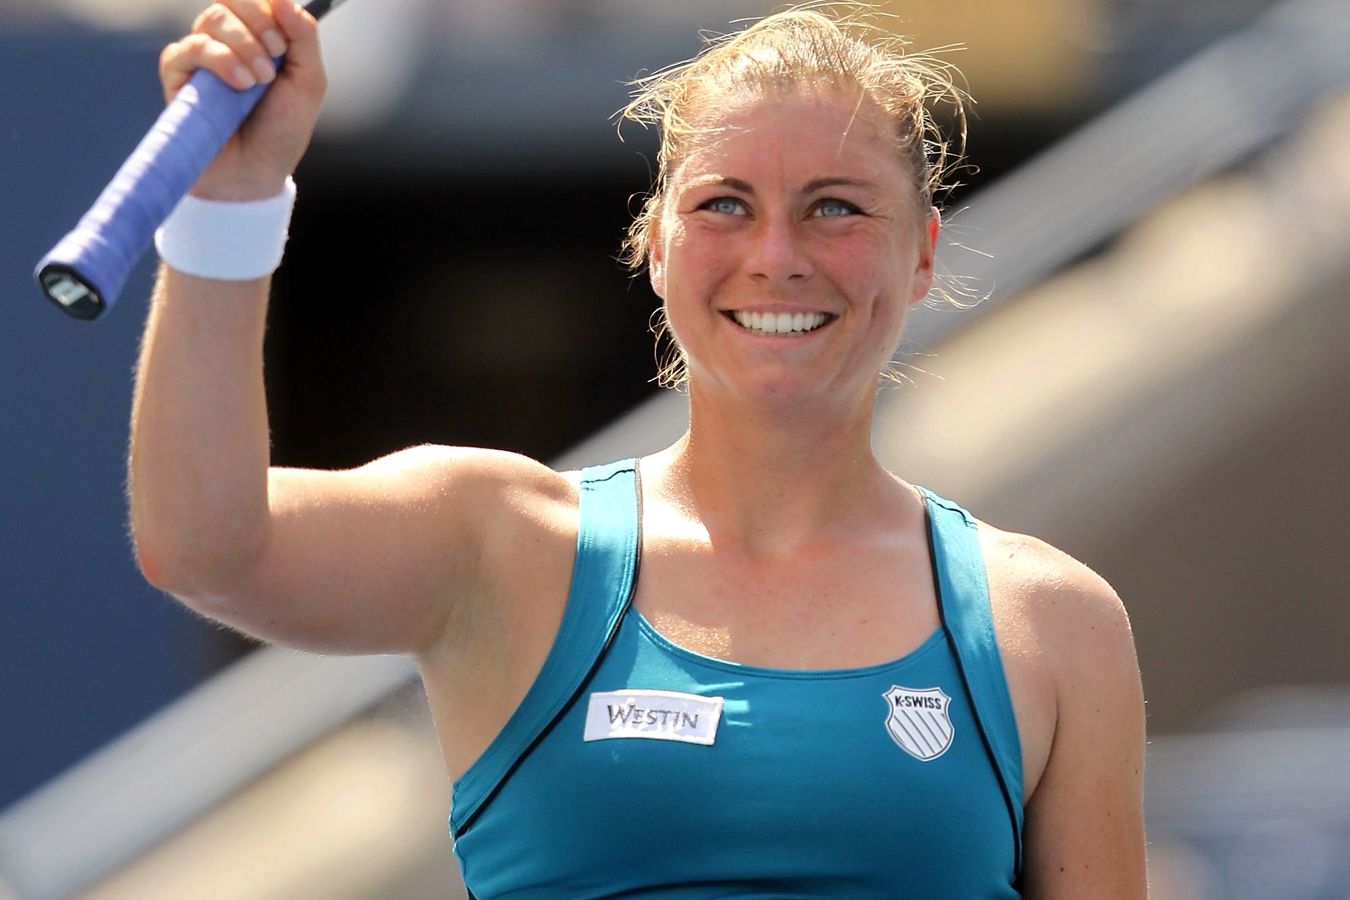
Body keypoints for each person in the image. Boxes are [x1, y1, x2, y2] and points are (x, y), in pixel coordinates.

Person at [134, 1, 1147, 896]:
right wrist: (230, 205)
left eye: (834, 207)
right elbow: (204, 544)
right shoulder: (504, 545)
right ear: (656, 244)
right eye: (724, 206)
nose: (777, 257)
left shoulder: (1052, 624)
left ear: (920, 252)